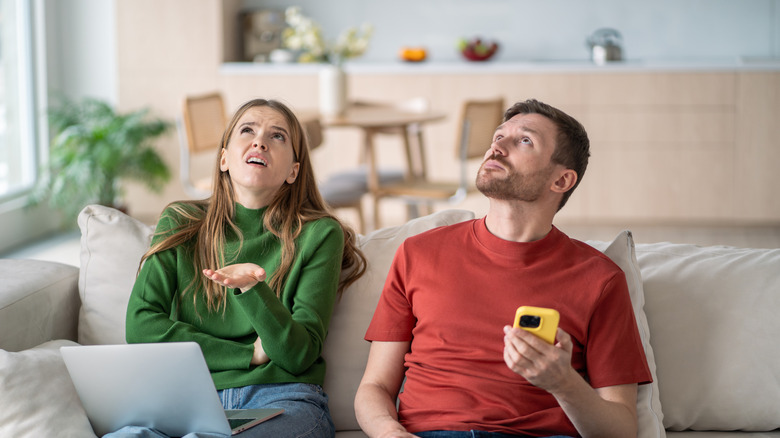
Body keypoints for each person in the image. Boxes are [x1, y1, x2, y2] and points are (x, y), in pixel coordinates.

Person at [354, 99, 652, 438]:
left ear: (561, 180)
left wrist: (564, 383)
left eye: (524, 140)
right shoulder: (417, 253)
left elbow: (622, 429)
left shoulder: (600, 279)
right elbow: (375, 386)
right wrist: (388, 433)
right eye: (498, 136)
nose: (497, 146)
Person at [113, 98, 366, 438]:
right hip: (187, 397)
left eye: (278, 136)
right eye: (247, 130)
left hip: (280, 399)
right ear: (223, 158)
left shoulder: (319, 234)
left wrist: (252, 290)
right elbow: (141, 327)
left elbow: (298, 354)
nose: (259, 140)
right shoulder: (181, 221)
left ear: (294, 170)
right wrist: (249, 353)